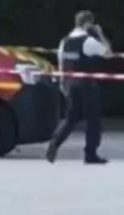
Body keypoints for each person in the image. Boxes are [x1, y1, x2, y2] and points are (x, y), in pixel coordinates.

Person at [45, 10, 112, 165]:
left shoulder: (65, 41)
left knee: (70, 118)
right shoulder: (88, 41)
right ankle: (90, 154)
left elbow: (61, 63)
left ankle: (54, 144)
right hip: (87, 84)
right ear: (87, 23)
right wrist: (100, 34)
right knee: (93, 120)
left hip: (70, 83)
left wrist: (63, 83)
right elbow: (108, 53)